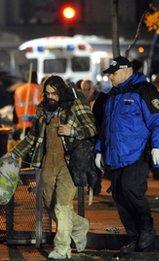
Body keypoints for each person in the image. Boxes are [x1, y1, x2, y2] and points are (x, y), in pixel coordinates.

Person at [10, 75, 96, 259]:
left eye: (54, 93)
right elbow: (33, 137)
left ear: (61, 92)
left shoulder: (74, 104)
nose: (50, 97)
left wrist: (73, 131)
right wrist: (14, 153)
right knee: (50, 205)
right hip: (47, 162)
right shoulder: (42, 109)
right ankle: (81, 226)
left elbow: (92, 128)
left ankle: (62, 248)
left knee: (62, 206)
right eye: (47, 93)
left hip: (69, 163)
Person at [95, 56, 159, 253]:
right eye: (109, 74)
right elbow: (105, 127)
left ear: (127, 70)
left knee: (130, 190)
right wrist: (99, 150)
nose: (110, 77)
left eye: (113, 73)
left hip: (137, 154)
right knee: (119, 195)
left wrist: (158, 147)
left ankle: (146, 228)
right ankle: (134, 237)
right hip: (115, 155)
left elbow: (158, 121)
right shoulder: (112, 95)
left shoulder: (144, 91)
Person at [13, 71, 42, 139]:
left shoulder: (18, 90)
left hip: (22, 124)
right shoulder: (39, 89)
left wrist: (15, 122)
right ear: (36, 77)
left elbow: (15, 107)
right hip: (36, 124)